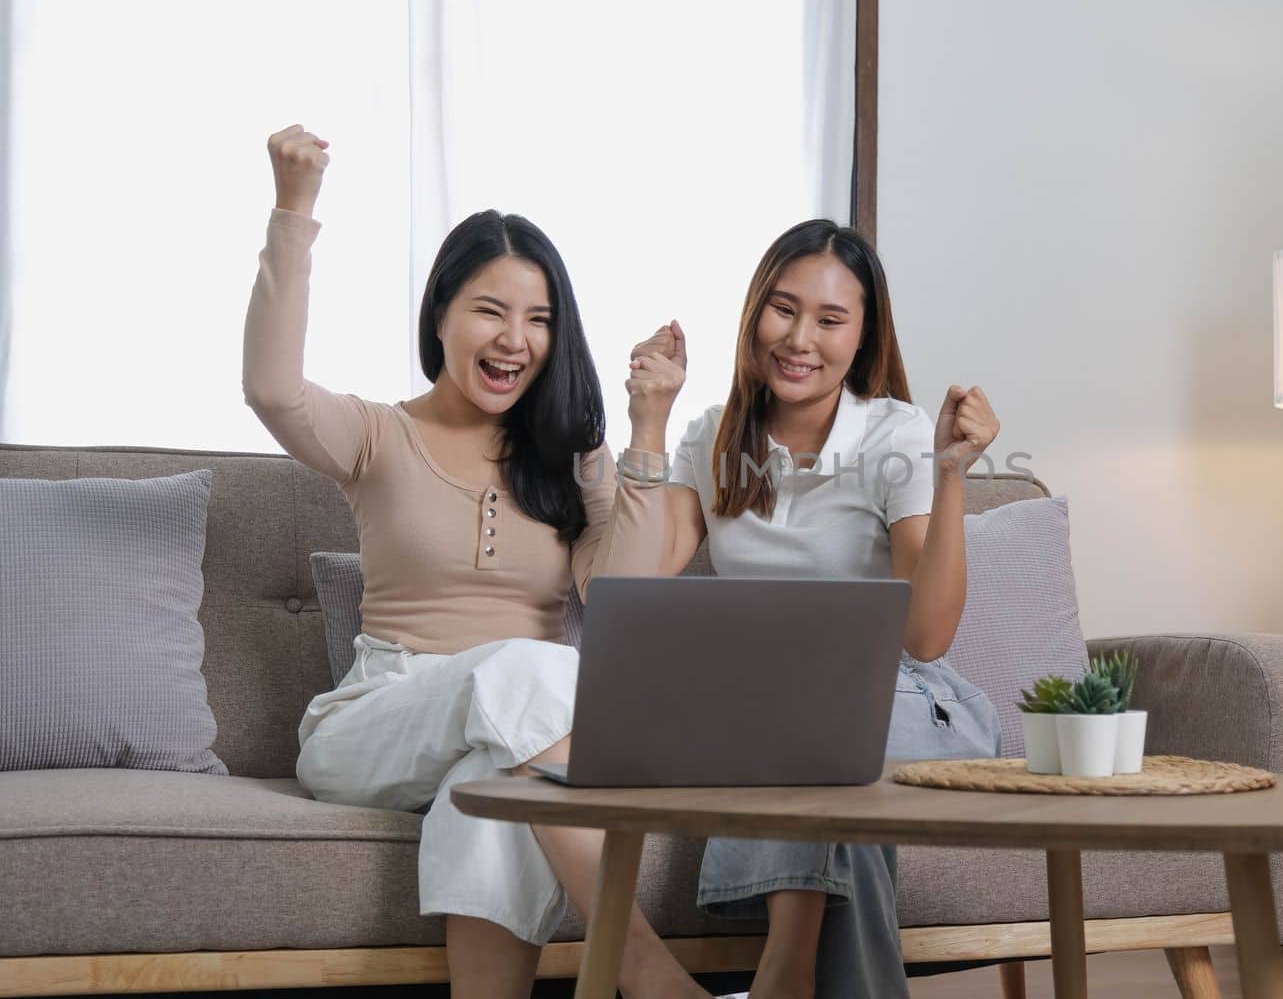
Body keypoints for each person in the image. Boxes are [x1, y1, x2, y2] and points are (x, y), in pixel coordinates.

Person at [243, 125, 705, 999]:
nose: (515, 339)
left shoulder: (570, 457)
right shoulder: (381, 435)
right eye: (491, 310)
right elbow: (272, 388)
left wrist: (647, 426)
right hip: (373, 724)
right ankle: (642, 969)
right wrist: (293, 208)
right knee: (535, 666)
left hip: (514, 730)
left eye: (538, 319)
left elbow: (623, 595)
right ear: (442, 314)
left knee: (492, 789)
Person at [647, 219, 1003, 999]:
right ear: (752, 314)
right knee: (852, 822)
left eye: (831, 319)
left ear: (863, 337)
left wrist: (948, 478)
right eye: (782, 309)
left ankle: (784, 973)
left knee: (810, 701)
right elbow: (629, 581)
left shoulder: (896, 433)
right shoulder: (711, 439)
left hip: (908, 702)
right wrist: (649, 420)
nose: (800, 337)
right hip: (773, 712)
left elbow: (928, 634)